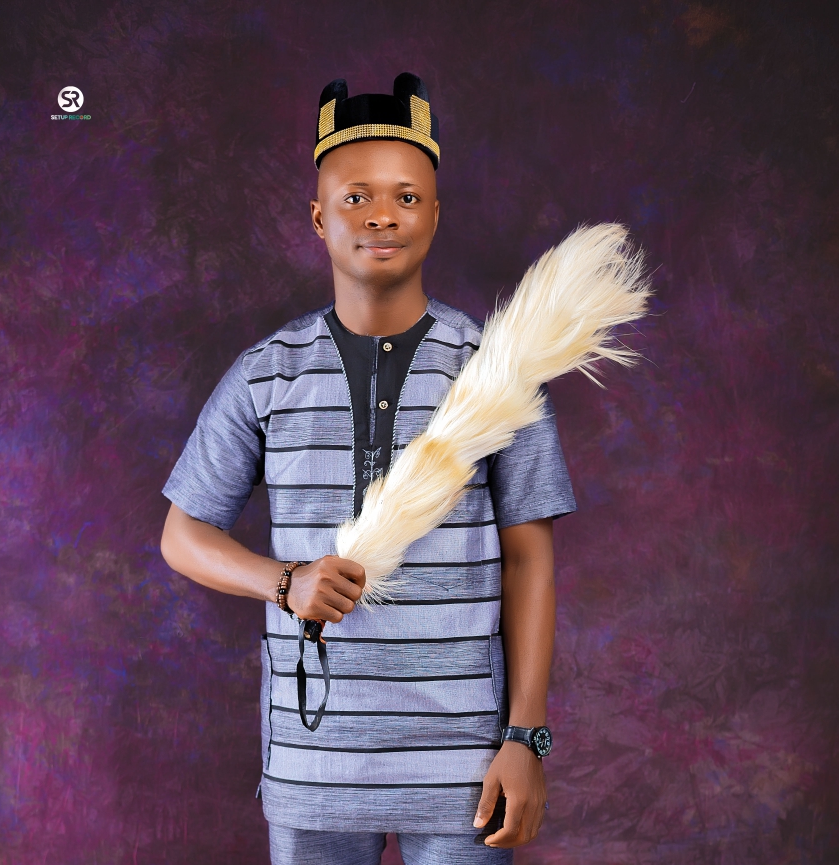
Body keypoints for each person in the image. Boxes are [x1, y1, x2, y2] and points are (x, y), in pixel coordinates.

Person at [160, 73, 576, 865]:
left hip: (465, 765)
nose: (382, 214)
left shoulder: (496, 371)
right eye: (356, 197)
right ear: (320, 218)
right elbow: (182, 534)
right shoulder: (266, 373)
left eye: (406, 197)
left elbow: (531, 560)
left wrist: (527, 736)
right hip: (313, 759)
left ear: (435, 214)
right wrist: (284, 581)